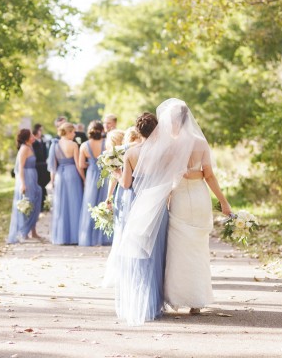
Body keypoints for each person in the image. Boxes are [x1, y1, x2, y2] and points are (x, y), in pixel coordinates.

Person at [162, 100, 232, 314]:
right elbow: (208, 175)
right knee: (199, 249)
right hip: (200, 196)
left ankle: (177, 296)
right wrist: (223, 201)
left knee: (178, 249)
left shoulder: (169, 144)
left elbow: (165, 177)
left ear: (173, 121)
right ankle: (196, 301)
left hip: (181, 196)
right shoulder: (200, 142)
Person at [104, 112, 165, 325]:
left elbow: (127, 184)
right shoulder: (163, 152)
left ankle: (138, 302)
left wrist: (116, 173)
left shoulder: (131, 152)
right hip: (156, 204)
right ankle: (153, 303)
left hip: (135, 203)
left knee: (137, 253)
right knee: (155, 253)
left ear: (138, 131)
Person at [47, 122, 84, 244]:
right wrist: (84, 178)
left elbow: (52, 166)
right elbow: (79, 165)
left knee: (61, 205)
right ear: (68, 132)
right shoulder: (73, 145)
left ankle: (62, 237)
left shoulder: (54, 145)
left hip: (59, 176)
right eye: (73, 132)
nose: (74, 134)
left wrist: (52, 181)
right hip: (72, 174)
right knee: (74, 203)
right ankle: (75, 237)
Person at [77, 120, 111, 246]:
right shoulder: (106, 143)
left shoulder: (84, 146)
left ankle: (88, 237)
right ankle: (105, 237)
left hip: (91, 175)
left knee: (90, 205)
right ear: (102, 130)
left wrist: (91, 163)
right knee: (104, 202)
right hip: (104, 175)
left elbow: (81, 164)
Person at [7, 129, 43, 243]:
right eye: (31, 135)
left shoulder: (30, 147)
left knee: (35, 202)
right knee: (28, 203)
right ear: (27, 137)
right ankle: (23, 231)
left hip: (33, 177)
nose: (33, 136)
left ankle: (33, 231)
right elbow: (20, 168)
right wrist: (22, 183)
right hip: (26, 178)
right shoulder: (24, 149)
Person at [32, 124, 50, 210]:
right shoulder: (33, 142)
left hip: (44, 165)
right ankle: (39, 205)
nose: (41, 132)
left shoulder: (42, 140)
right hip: (37, 165)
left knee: (43, 185)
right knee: (39, 185)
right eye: (40, 130)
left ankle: (44, 203)